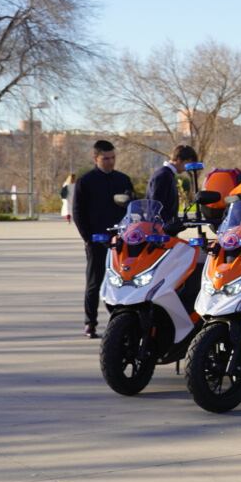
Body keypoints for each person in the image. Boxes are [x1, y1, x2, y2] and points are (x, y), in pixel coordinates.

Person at [70, 139, 134, 338]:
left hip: (121, 241)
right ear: (95, 158)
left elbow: (133, 207)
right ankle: (90, 323)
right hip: (97, 240)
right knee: (94, 283)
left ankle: (120, 322)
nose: (110, 162)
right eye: (106, 158)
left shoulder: (123, 179)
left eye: (113, 158)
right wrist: (88, 237)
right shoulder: (86, 181)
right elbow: (78, 211)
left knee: (123, 282)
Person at [145, 144, 197, 226]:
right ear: (179, 159)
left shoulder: (168, 174)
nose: (188, 168)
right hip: (159, 230)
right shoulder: (163, 175)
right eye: (188, 163)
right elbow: (156, 206)